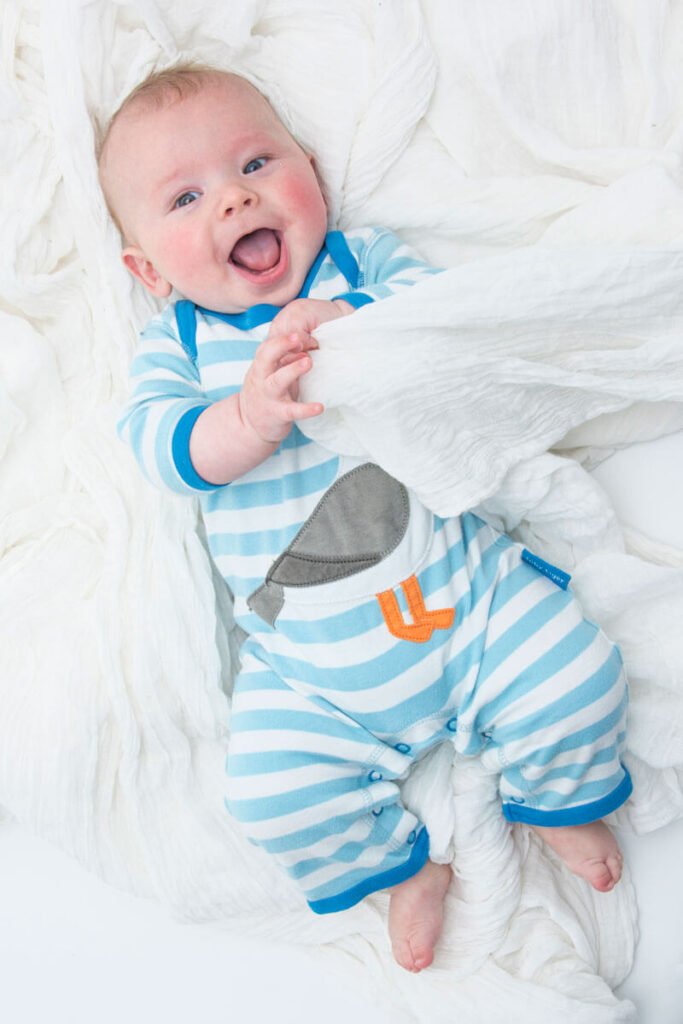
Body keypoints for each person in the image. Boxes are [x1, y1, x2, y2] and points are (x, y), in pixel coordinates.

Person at [100, 64, 632, 974]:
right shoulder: (180, 348)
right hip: (309, 671)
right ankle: (395, 867)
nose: (233, 198)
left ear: (311, 168)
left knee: (579, 674)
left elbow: (447, 331)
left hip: (465, 599)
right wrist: (248, 415)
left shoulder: (365, 263)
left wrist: (351, 324)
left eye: (256, 163)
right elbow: (160, 448)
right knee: (269, 795)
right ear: (149, 269)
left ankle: (560, 797)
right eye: (186, 197)